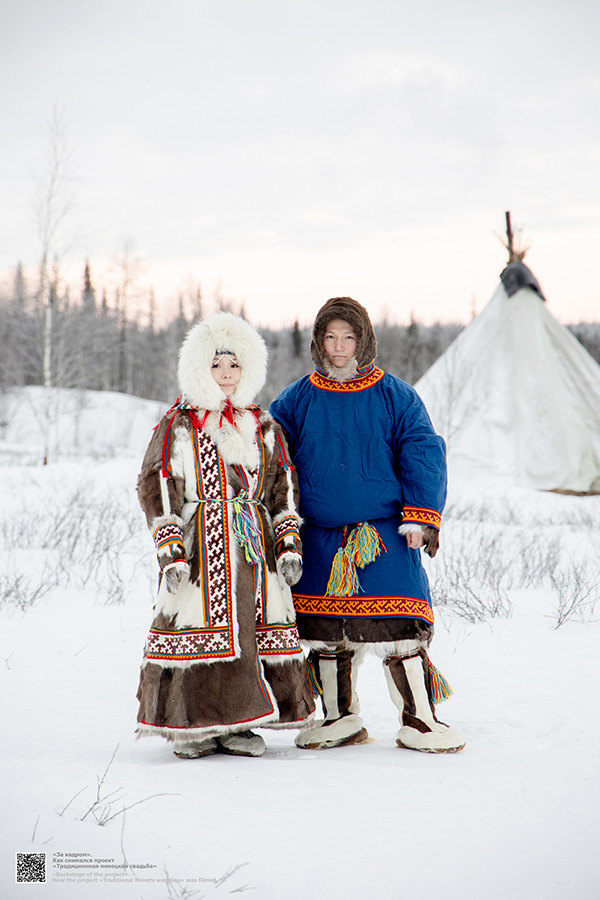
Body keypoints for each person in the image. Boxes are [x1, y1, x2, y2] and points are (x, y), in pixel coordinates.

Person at [270, 297, 466, 753]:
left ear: (364, 341)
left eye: (348, 337)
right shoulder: (297, 398)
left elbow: (422, 451)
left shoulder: (395, 395)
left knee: (401, 631)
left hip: (382, 537)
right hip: (319, 537)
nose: (339, 347)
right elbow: (272, 456)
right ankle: (339, 718)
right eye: (330, 338)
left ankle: (420, 720)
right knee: (326, 636)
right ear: (318, 342)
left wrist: (420, 516)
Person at [135, 312, 315, 758]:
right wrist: (170, 550)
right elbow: (159, 484)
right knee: (197, 629)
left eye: (235, 365)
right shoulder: (178, 425)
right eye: (217, 365)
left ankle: (240, 724)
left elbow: (282, 488)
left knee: (249, 629)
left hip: (253, 549)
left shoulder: (263, 426)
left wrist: (288, 543)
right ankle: (194, 727)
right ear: (200, 368)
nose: (227, 374)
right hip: (199, 546)